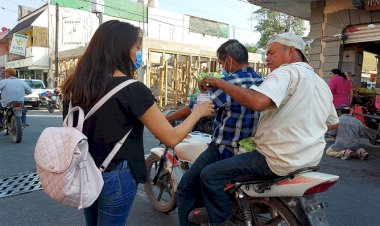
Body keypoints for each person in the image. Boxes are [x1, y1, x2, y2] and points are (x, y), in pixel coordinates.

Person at [61, 20, 213, 226]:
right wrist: (197, 112)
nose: (139, 53)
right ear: (122, 50)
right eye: (137, 47)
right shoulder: (132, 89)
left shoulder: (73, 87)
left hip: (84, 170)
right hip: (116, 175)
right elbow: (170, 137)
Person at [188, 33, 339, 225]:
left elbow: (257, 102)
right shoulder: (320, 82)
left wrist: (219, 82)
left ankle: (220, 220)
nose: (266, 58)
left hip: (275, 159)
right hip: (309, 159)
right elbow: (332, 123)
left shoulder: (286, 72)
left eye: (271, 53)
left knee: (209, 175)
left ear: (291, 51)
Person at [168, 39, 263, 226]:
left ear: (228, 60)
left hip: (225, 149)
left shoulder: (227, 83)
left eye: (221, 63)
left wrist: (166, 120)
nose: (222, 67)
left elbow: (193, 109)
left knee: (186, 187)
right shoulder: (262, 80)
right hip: (252, 149)